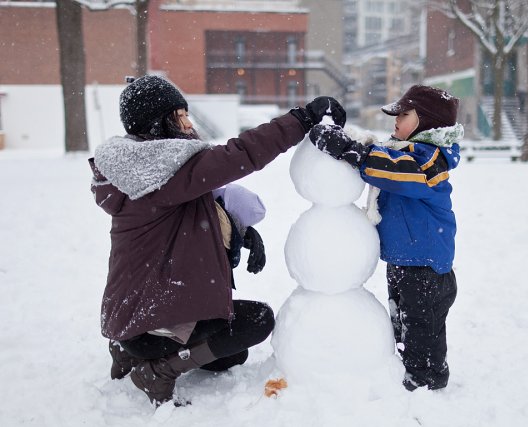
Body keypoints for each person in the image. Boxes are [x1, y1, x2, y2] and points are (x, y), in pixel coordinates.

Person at [90, 75, 346, 406]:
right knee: (256, 321)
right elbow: (241, 153)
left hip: (133, 315)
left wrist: (240, 231)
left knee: (231, 357)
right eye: (179, 116)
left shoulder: (140, 172)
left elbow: (192, 208)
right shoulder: (160, 172)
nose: (187, 124)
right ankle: (158, 371)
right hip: (150, 320)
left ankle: (128, 348)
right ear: (157, 124)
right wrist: (302, 119)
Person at [308, 85, 463, 391]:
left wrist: (351, 152)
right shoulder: (401, 150)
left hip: (427, 267)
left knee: (422, 328)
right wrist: (346, 138)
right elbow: (380, 154)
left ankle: (427, 379)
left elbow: (395, 171)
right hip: (404, 260)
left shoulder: (431, 160)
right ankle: (406, 369)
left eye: (404, 115)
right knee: (402, 323)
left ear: (426, 121)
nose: (395, 120)